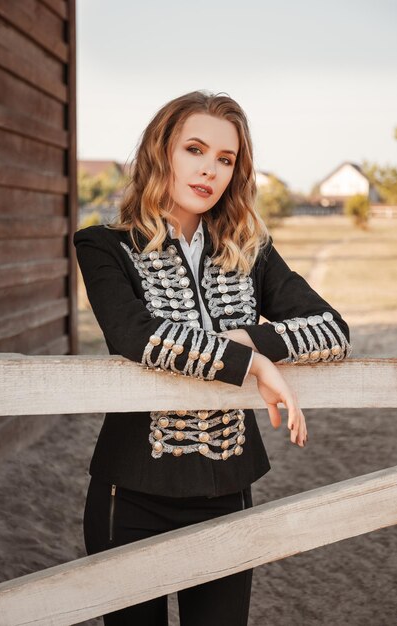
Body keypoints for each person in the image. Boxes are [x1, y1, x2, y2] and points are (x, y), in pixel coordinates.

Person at [74, 90, 352, 626]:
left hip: (227, 489)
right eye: (195, 150)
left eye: (226, 160)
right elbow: (135, 335)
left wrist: (251, 347)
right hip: (130, 493)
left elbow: (332, 329)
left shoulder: (250, 251)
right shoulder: (104, 246)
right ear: (162, 153)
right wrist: (251, 367)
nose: (210, 170)